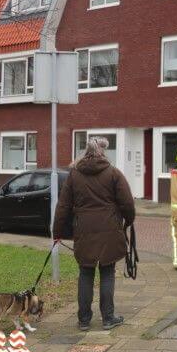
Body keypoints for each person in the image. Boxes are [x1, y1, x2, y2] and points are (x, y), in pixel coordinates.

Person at [54, 137, 135, 331]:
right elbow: (127, 203)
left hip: (84, 230)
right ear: (102, 152)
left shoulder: (74, 175)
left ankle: (83, 320)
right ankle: (108, 318)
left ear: (85, 153)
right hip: (109, 230)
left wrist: (57, 233)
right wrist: (128, 221)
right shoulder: (113, 173)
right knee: (107, 272)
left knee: (85, 272)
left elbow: (63, 206)